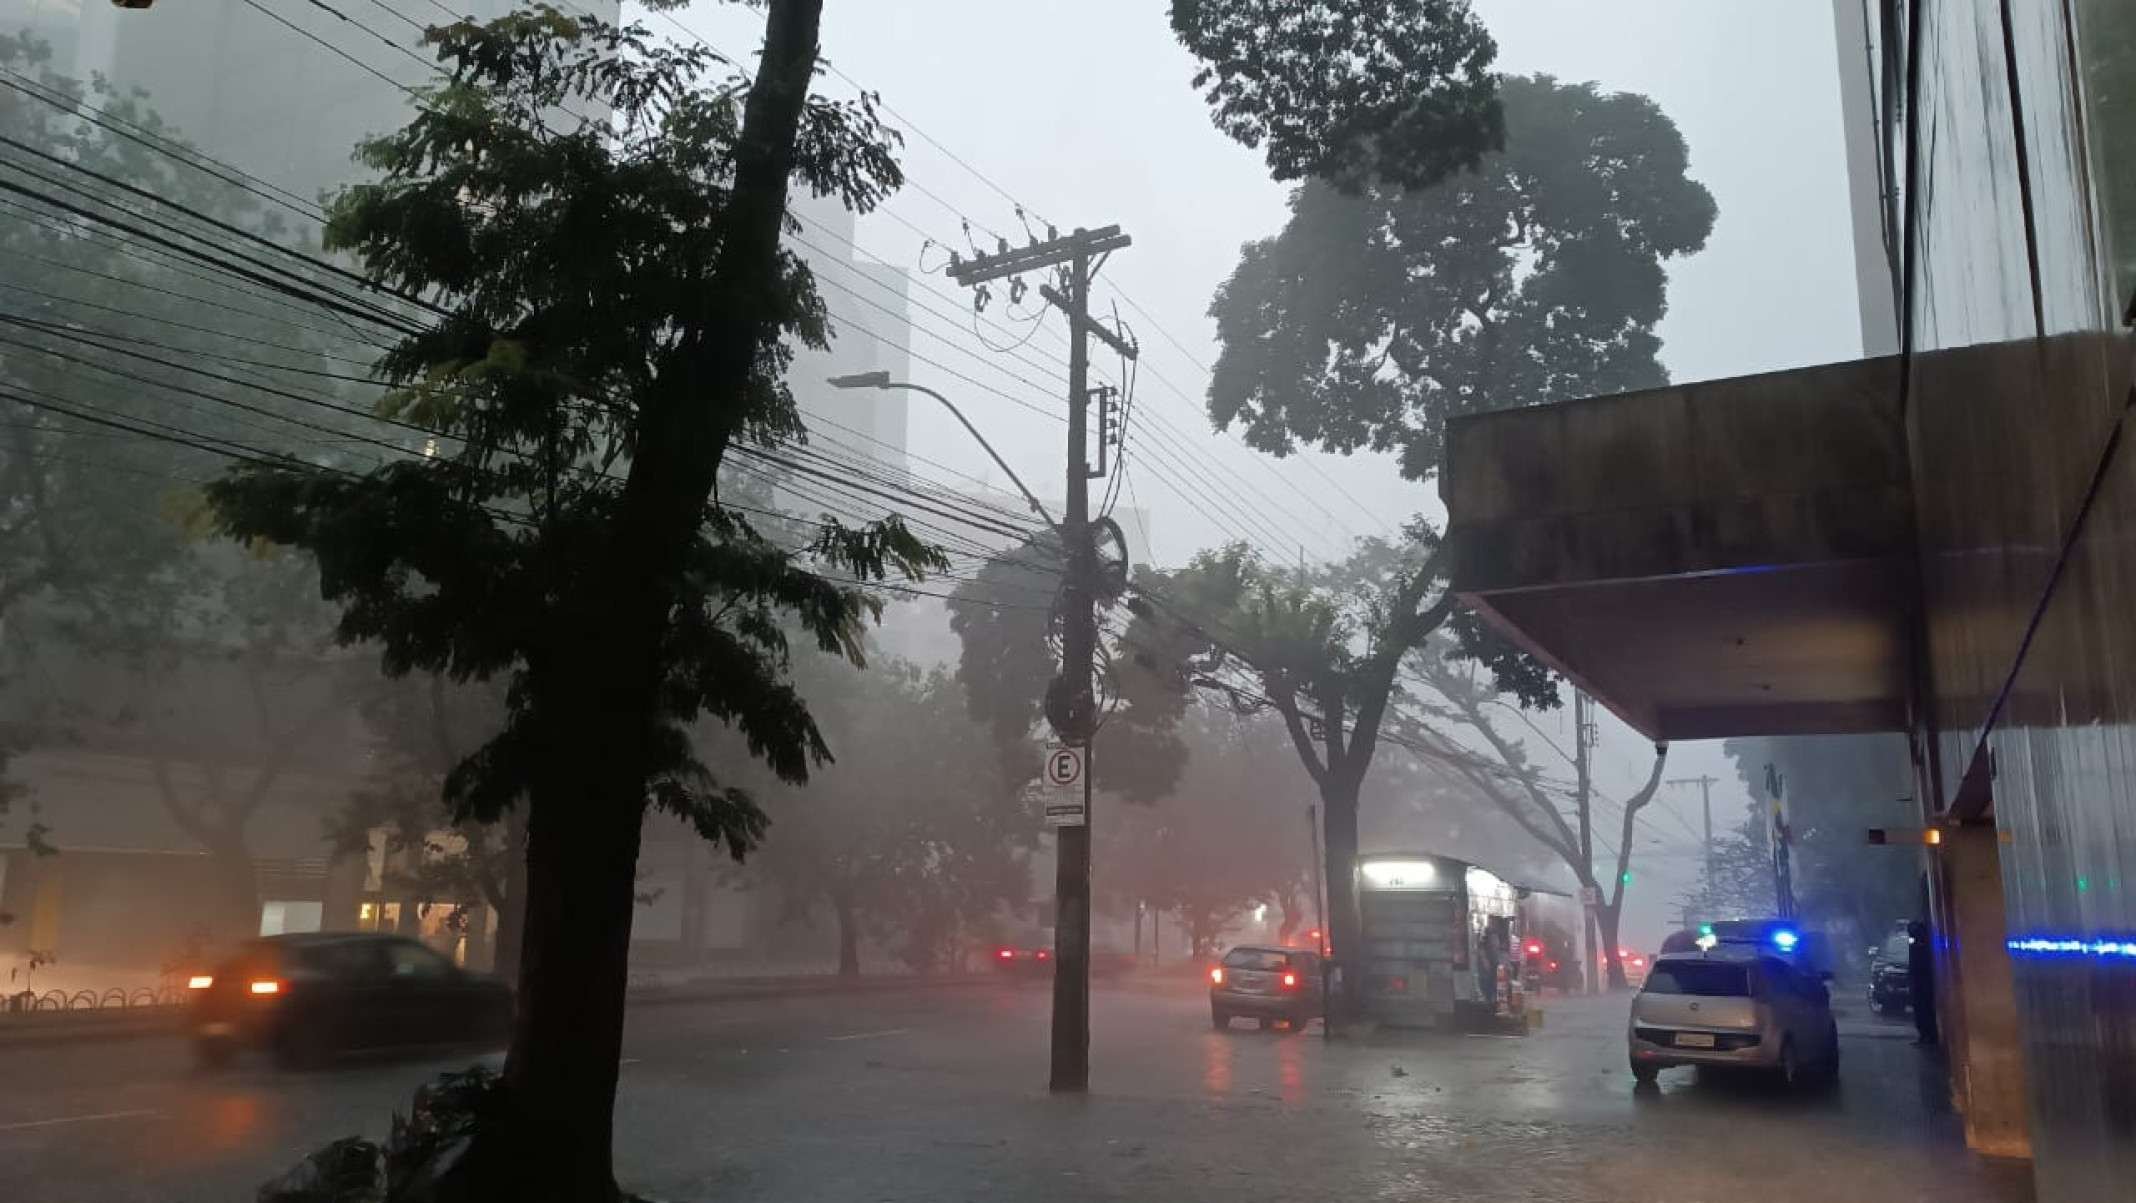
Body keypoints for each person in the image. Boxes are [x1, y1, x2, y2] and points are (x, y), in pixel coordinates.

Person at [1907, 919, 1939, 1046]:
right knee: (1921, 1010)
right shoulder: (1916, 944)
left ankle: (1928, 1036)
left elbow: (1920, 965)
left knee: (1924, 1010)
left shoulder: (1923, 946)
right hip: (1919, 982)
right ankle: (1925, 1035)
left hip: (1923, 983)